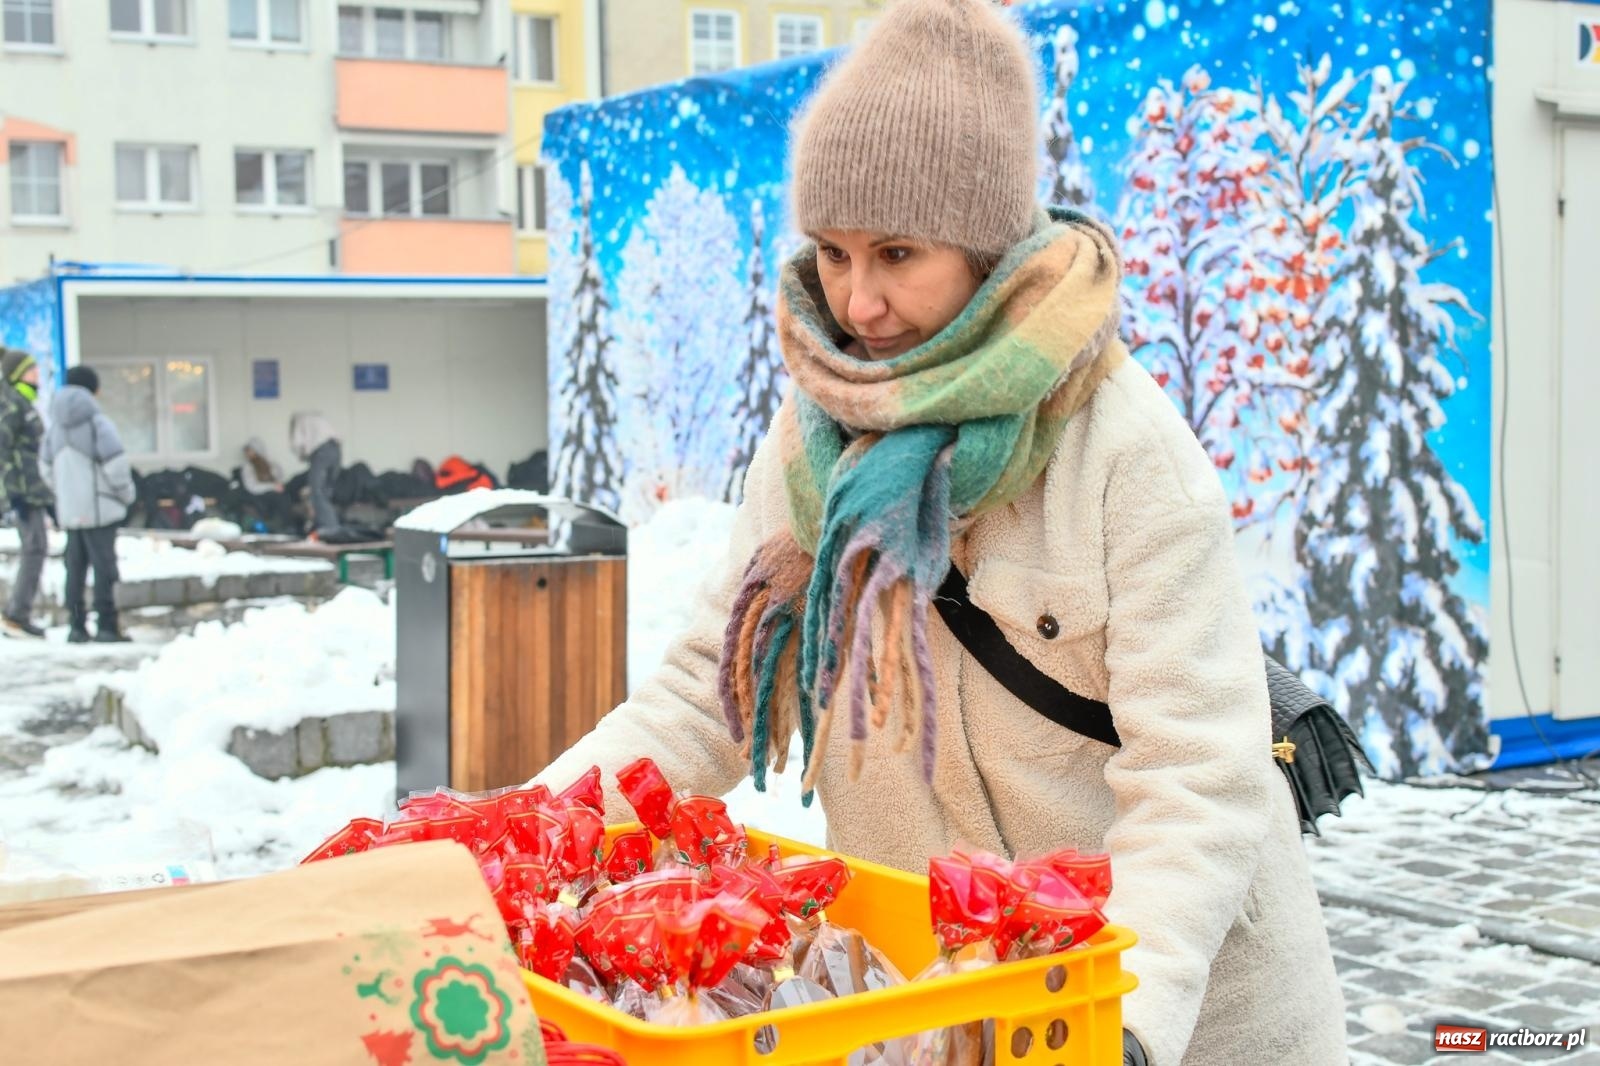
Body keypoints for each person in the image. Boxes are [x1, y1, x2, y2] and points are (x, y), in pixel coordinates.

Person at [534, 3, 1346, 1064]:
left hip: (1173, 1024)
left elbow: (1196, 771)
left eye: (897, 253)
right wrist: (516, 841)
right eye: (830, 252)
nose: (857, 300)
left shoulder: (1122, 450)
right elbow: (705, 696)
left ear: (987, 249)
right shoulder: (811, 443)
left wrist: (1125, 1021)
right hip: (938, 1014)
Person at [43, 365, 138, 643]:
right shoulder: (98, 423)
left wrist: (64, 495)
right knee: (104, 567)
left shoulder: (55, 428)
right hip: (101, 508)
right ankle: (107, 626)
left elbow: (45, 468)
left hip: (71, 511)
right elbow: (116, 465)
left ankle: (76, 626)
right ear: (91, 389)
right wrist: (125, 494)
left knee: (74, 568)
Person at [0, 348, 54, 639]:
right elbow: (4, 453)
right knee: (34, 549)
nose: (37, 375)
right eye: (31, 370)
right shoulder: (11, 403)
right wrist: (12, 496)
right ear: (18, 374)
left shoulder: (24, 402)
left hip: (34, 493)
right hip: (22, 494)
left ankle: (19, 612)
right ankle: (17, 614)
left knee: (37, 548)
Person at [289, 412, 341, 538]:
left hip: (321, 453)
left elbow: (298, 443)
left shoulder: (299, 421)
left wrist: (304, 456)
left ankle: (329, 528)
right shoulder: (320, 419)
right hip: (336, 452)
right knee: (326, 492)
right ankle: (329, 526)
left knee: (316, 492)